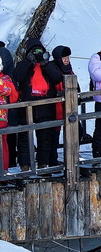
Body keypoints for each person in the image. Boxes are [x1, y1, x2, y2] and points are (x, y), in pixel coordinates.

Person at [11, 40, 62, 170]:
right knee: (24, 138)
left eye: (40, 51)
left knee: (45, 137)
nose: (38, 54)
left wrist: (45, 63)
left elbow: (57, 77)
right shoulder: (24, 65)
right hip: (26, 107)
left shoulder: (48, 65)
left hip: (45, 106)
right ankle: (25, 165)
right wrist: (28, 62)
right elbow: (17, 76)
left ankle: (43, 164)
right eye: (34, 52)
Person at [0, 67, 15, 170]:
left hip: (1, 118)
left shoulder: (5, 79)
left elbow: (6, 90)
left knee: (2, 144)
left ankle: (3, 171)